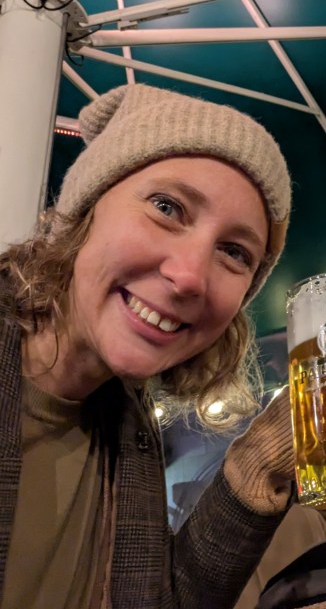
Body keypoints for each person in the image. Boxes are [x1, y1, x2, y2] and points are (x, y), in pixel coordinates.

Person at [0, 83, 297, 607]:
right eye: (167, 207)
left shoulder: (126, 421)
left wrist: (252, 471)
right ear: (86, 208)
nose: (190, 277)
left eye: (234, 252)